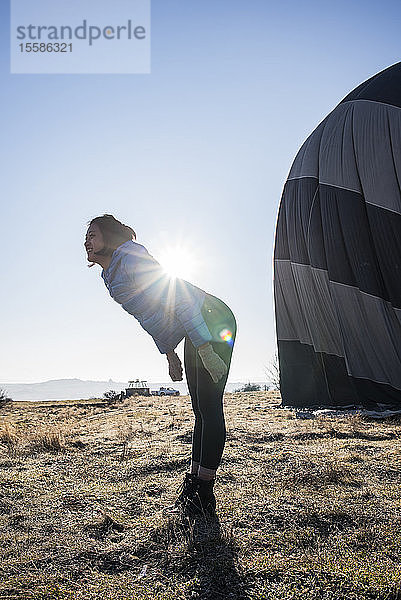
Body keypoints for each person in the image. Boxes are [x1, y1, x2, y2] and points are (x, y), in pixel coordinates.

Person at [84, 214, 236, 516]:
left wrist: (205, 346)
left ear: (110, 237)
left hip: (210, 317)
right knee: (199, 410)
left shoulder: (130, 257)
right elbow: (150, 317)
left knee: (209, 405)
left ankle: (204, 493)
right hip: (197, 322)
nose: (86, 241)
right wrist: (169, 353)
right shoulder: (111, 275)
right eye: (86, 236)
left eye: (92, 234)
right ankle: (195, 483)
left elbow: (176, 294)